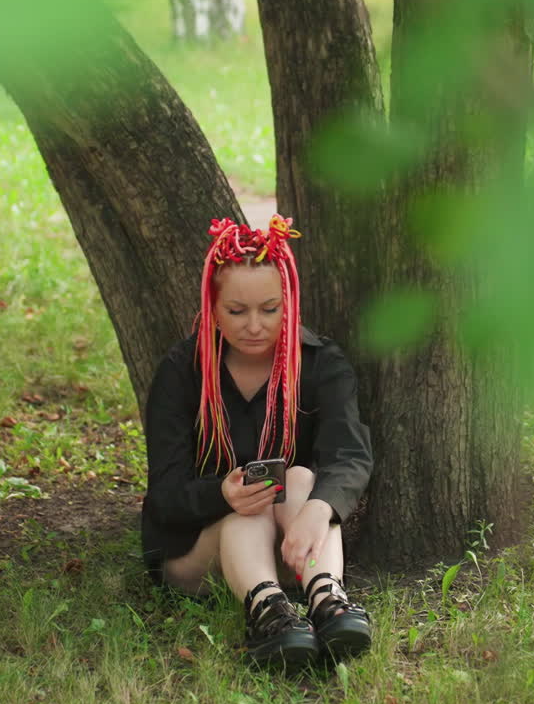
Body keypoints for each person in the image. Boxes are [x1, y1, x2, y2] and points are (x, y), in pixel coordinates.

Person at [140, 214, 374, 668]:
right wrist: (220, 492)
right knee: (245, 506)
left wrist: (317, 511)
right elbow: (165, 493)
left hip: (295, 546)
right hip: (199, 553)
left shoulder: (321, 364)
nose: (254, 326)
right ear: (212, 306)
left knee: (302, 478)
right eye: (236, 311)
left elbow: (349, 455)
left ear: (290, 302)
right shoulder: (180, 372)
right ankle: (270, 617)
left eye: (270, 309)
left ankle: (328, 600)